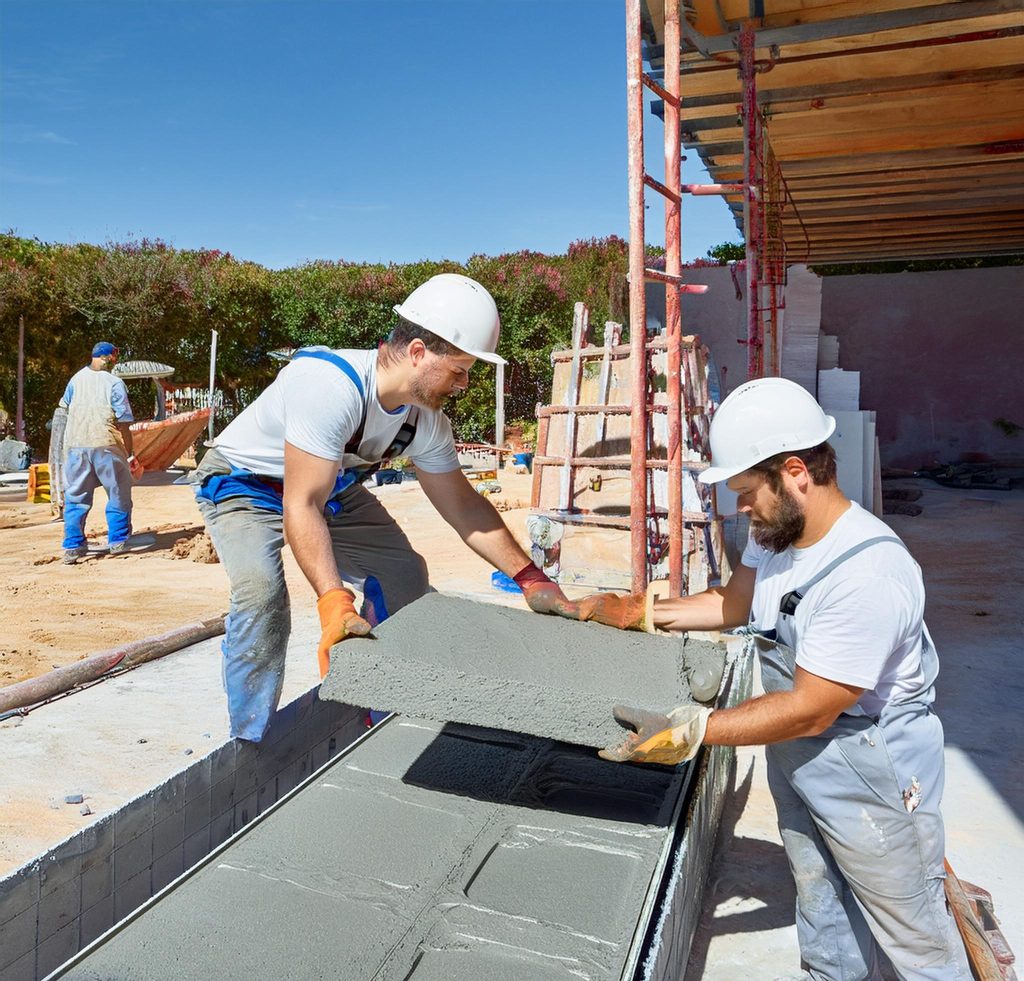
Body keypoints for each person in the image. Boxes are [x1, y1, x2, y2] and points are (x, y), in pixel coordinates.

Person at [577, 377, 969, 980]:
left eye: (746, 490)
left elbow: (812, 707)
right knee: (820, 892)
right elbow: (737, 605)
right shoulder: (775, 534)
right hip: (804, 751)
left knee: (912, 931)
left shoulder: (867, 575)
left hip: (872, 766)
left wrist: (693, 728)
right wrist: (647, 612)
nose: (739, 507)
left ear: (794, 471)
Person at [190, 273, 575, 743]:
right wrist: (334, 602)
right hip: (245, 484)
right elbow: (302, 503)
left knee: (405, 575)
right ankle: (250, 739)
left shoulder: (425, 422)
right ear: (418, 352)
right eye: (459, 370)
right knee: (262, 595)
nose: (464, 384)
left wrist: (531, 579)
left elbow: (464, 508)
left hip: (331, 487)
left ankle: (381, 707)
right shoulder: (330, 386)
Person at [60, 342, 144, 564]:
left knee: (76, 495)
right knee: (118, 491)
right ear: (108, 357)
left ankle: (72, 545)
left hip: (76, 445)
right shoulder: (114, 383)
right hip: (106, 443)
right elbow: (124, 421)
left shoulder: (75, 380)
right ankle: (118, 540)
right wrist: (130, 453)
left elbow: (64, 409)